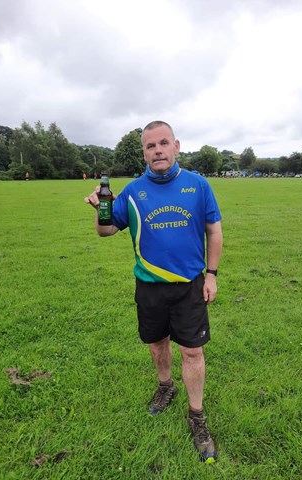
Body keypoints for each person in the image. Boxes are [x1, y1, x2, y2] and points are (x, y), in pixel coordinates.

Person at [85, 121, 222, 463]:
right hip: (149, 287)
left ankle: (197, 416)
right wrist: (99, 209)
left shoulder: (198, 185)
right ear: (143, 152)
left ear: (176, 146)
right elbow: (106, 231)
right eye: (150, 146)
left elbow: (214, 231)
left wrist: (212, 275)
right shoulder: (132, 191)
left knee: (192, 352)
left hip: (189, 286)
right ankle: (165, 387)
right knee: (157, 342)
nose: (157, 150)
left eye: (163, 143)